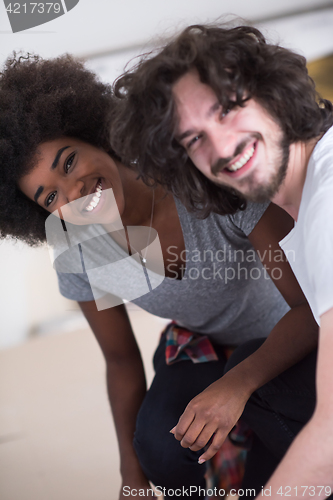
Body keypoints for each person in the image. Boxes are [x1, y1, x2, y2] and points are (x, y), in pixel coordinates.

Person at [0, 53, 318, 500]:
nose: (74, 193)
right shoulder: (79, 249)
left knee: (277, 464)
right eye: (50, 195)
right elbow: (121, 361)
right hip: (207, 344)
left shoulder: (207, 180)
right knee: (157, 448)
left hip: (298, 336)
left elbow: (311, 308)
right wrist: (131, 480)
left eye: (69, 162)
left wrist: (237, 384)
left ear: (97, 135)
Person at [109, 23, 333, 496]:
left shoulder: (326, 204)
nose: (220, 147)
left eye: (227, 109)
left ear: (273, 91)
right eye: (193, 139)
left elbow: (329, 437)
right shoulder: (301, 198)